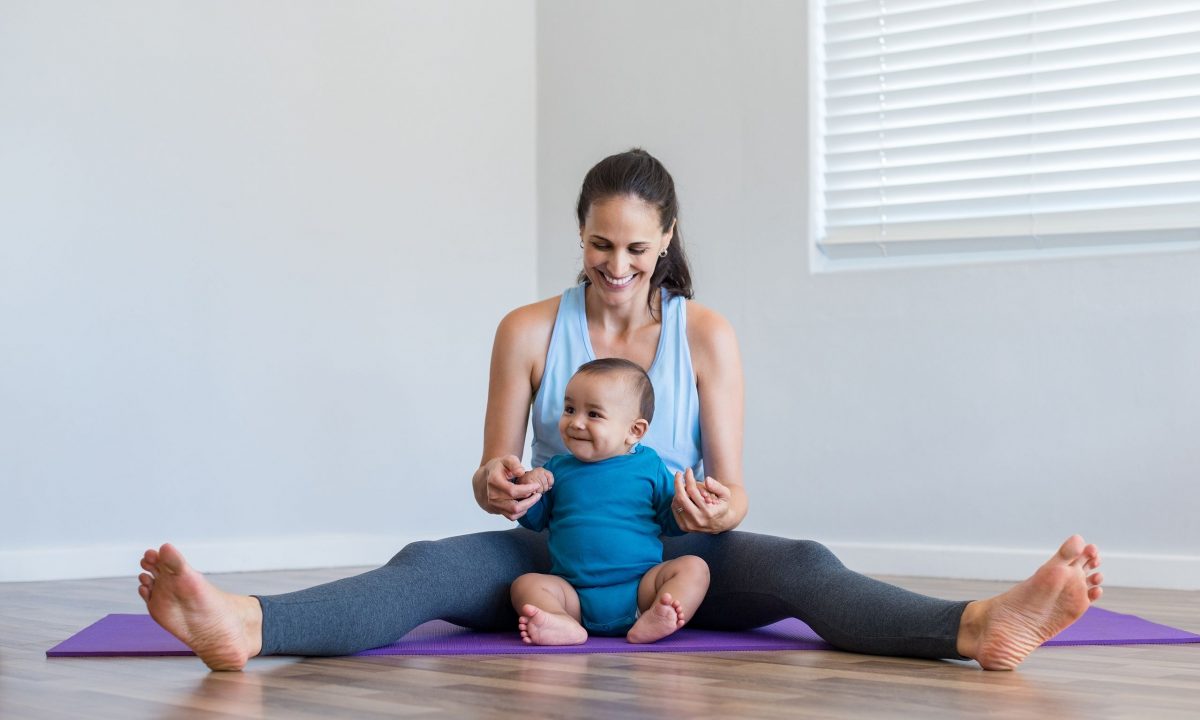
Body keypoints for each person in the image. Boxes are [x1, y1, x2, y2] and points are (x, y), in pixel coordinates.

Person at [137, 148, 1104, 672]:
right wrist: (498, 482)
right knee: (426, 566)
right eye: (602, 245)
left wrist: (715, 512)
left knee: (806, 565)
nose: (618, 266)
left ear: (666, 238)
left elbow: (731, 495)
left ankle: (982, 627)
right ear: (581, 234)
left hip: (673, 559)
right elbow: (491, 480)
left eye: (637, 249)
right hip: (553, 552)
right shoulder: (525, 329)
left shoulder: (707, 334)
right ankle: (247, 626)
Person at [511, 358, 710, 645]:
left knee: (694, 567)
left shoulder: (649, 465)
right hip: (572, 594)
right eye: (569, 409)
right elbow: (534, 519)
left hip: (641, 588)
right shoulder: (556, 469)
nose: (576, 422)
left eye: (593, 414)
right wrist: (528, 486)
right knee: (525, 585)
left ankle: (657, 616)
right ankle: (562, 622)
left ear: (635, 431)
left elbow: (672, 521)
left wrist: (688, 503)